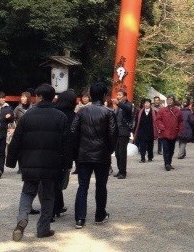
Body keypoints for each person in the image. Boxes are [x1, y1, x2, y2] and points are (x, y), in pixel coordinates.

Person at [6, 83, 70, 241]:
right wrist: (67, 164)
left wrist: (11, 161)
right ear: (52, 97)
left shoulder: (28, 116)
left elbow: (17, 140)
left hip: (29, 162)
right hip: (51, 164)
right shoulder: (61, 117)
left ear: (39, 97)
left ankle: (22, 218)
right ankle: (43, 228)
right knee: (48, 196)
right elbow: (67, 144)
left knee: (27, 192)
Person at [69, 82, 118, 229]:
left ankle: (79, 219)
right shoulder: (109, 112)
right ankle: (99, 215)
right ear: (104, 96)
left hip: (84, 153)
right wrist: (109, 150)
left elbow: (73, 131)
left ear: (90, 95)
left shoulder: (82, 112)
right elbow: (113, 134)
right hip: (102, 154)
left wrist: (77, 149)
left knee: (82, 186)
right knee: (101, 186)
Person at [52, 90, 77, 218]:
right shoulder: (74, 116)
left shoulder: (53, 113)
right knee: (60, 180)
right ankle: (55, 207)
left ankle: (57, 206)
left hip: (51, 149)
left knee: (53, 179)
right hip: (66, 152)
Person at [155, 94, 181, 171]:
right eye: (168, 100)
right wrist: (161, 127)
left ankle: (169, 162)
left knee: (171, 149)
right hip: (164, 133)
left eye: (171, 100)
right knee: (166, 148)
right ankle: (166, 163)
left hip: (174, 132)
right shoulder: (162, 110)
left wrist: (179, 129)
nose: (169, 101)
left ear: (174, 101)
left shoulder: (178, 111)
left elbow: (181, 121)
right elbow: (158, 120)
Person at [113, 88, 133, 179]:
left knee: (122, 153)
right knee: (117, 153)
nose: (118, 97)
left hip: (124, 132)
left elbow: (127, 109)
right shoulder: (117, 106)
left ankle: (123, 172)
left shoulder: (129, 104)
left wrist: (118, 103)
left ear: (125, 96)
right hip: (116, 132)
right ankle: (120, 170)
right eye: (117, 95)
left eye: (120, 95)